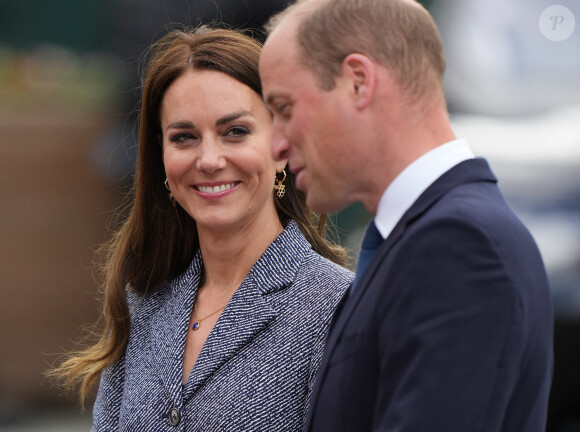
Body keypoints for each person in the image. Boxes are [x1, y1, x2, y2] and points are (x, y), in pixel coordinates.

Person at [259, 0, 554, 431]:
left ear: (358, 82)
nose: (275, 147)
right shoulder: (434, 237)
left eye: (284, 109)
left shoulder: (459, 246)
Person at [53, 26, 352, 431]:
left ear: (283, 147)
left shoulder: (337, 307)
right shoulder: (145, 302)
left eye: (236, 132)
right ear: (161, 157)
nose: (209, 159)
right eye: (184, 137)